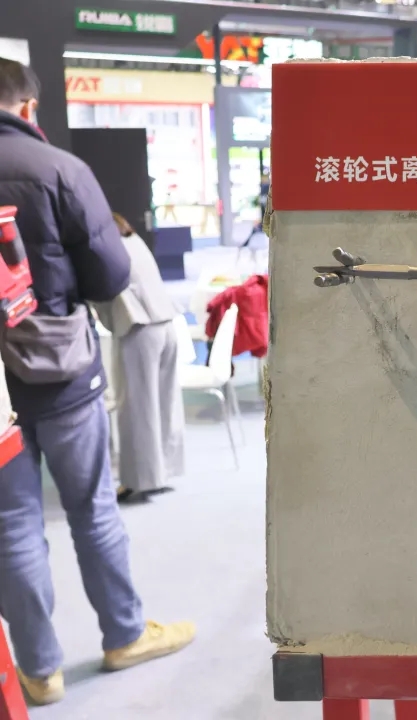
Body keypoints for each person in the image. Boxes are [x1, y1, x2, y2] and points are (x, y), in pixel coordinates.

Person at [0, 58, 194, 706]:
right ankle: (124, 634)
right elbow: (111, 274)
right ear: (28, 107)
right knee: (91, 507)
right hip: (60, 369)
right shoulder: (59, 170)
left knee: (12, 523)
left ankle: (40, 670)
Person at [94, 213, 184, 504]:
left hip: (141, 329)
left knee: (137, 409)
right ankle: (162, 473)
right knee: (164, 404)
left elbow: (98, 290)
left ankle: (140, 481)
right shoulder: (134, 241)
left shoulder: (109, 251)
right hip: (166, 325)